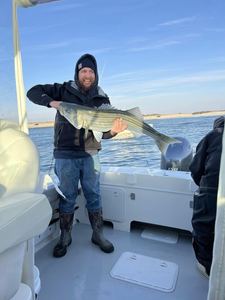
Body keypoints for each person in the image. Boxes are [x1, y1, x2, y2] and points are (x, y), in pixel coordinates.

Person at [27, 53, 128, 258]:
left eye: (91, 71)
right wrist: (52, 102)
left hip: (91, 153)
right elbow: (32, 91)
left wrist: (115, 131)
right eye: (84, 71)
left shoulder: (102, 98)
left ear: (95, 74)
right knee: (67, 196)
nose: (88, 75)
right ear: (78, 73)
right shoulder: (64, 89)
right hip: (65, 154)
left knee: (94, 194)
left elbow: (104, 134)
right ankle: (66, 236)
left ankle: (97, 234)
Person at [189, 116, 224, 278]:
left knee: (203, 226)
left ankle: (206, 266)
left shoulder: (212, 135)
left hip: (212, 188)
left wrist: (202, 185)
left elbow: (196, 167)